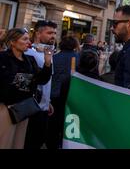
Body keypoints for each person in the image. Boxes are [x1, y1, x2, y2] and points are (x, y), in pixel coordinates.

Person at [0, 28, 52, 149]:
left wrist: (47, 63)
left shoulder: (30, 60)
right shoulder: (3, 58)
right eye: (24, 39)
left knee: (18, 142)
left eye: (29, 39)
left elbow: (42, 80)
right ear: (12, 42)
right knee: (4, 141)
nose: (29, 42)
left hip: (23, 109)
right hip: (6, 108)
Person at [24, 19, 57, 149]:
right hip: (31, 109)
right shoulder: (29, 53)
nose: (53, 36)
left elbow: (47, 81)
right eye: (49, 33)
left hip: (43, 108)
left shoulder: (48, 52)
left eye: (54, 33)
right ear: (38, 34)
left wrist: (47, 102)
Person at [47, 36, 80, 149]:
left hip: (54, 94)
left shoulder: (54, 58)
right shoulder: (78, 58)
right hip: (71, 95)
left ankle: (52, 144)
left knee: (53, 124)